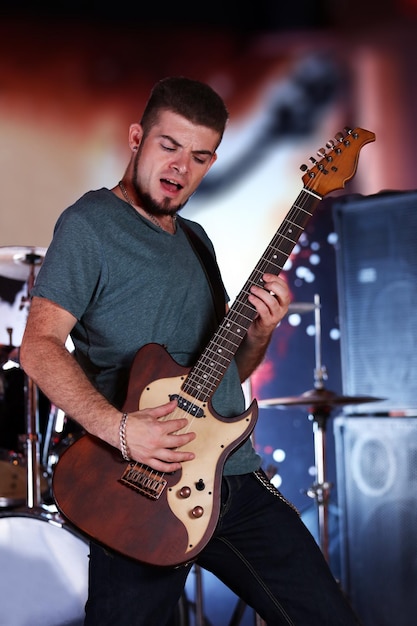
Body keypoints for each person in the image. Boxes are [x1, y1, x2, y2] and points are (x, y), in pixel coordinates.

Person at [20, 76, 361, 626]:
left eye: (199, 157)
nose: (180, 168)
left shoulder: (197, 239)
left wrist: (258, 335)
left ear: (212, 162)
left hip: (234, 476)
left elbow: (222, 376)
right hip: (143, 484)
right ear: (137, 138)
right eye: (168, 146)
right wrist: (125, 432)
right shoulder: (89, 225)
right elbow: (37, 347)